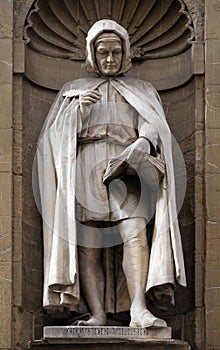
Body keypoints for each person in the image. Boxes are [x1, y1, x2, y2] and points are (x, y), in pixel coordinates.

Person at [35, 19, 186, 328]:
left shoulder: (141, 89)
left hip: (126, 167)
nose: (109, 59)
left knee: (135, 235)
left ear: (125, 52)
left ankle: (138, 309)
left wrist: (144, 140)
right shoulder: (73, 91)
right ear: (92, 53)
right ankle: (98, 314)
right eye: (103, 52)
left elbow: (153, 123)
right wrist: (76, 114)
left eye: (115, 52)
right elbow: (52, 141)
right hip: (86, 168)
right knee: (89, 244)